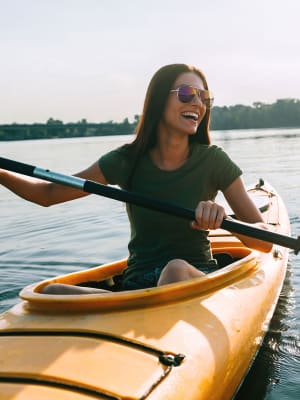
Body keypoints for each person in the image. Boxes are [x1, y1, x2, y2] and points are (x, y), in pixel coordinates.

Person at [0, 63, 272, 295]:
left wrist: (224, 220)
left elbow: (264, 240)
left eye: (204, 98)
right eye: (187, 94)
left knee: (175, 269)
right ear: (158, 101)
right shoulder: (125, 161)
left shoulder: (214, 161)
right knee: (51, 291)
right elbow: (47, 194)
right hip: (137, 285)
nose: (198, 104)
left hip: (191, 277)